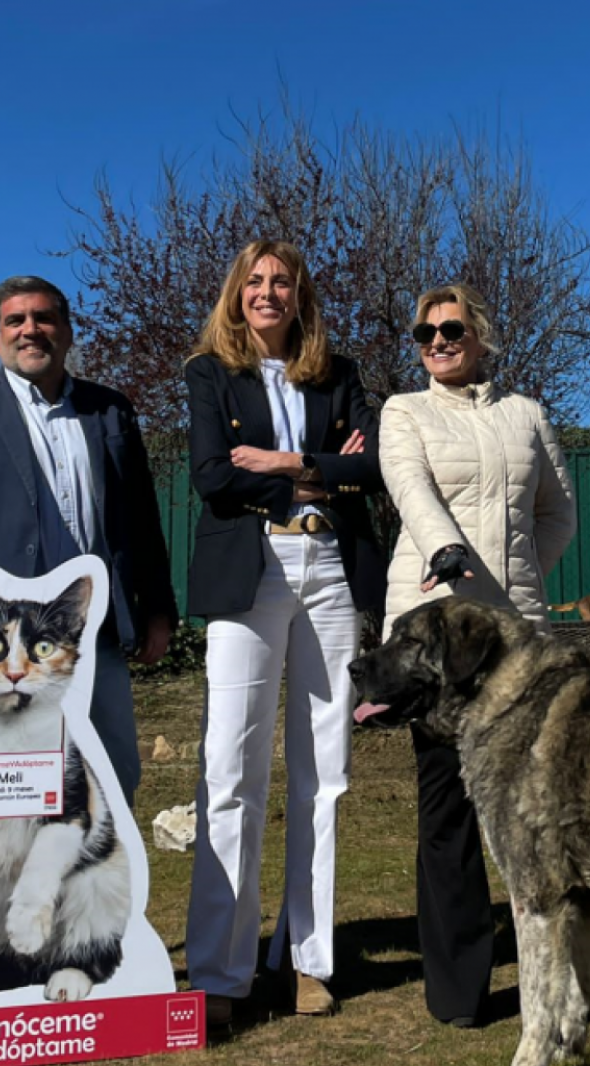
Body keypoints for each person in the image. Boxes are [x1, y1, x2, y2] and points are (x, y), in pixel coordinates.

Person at [182, 240, 385, 1025]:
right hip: (251, 570)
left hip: (331, 569)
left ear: (302, 295)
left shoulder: (340, 374)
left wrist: (284, 459)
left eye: (283, 282)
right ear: (238, 293)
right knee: (229, 769)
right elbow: (210, 475)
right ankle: (221, 973)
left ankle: (309, 961)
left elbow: (376, 468)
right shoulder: (209, 373)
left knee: (323, 774)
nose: (268, 293)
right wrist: (319, 469)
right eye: (255, 281)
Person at [379, 282, 576, 1028]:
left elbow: (557, 512)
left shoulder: (525, 414)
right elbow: (410, 489)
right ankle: (459, 991)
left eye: (451, 328)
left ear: (481, 335)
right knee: (448, 808)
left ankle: (545, 972)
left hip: (516, 641)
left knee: (530, 806)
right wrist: (449, 553)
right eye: (424, 333)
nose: (438, 342)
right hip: (431, 632)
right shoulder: (406, 411)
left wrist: (520, 578)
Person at [0, 275, 175, 803]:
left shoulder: (110, 410)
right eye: (15, 321)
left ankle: (94, 887)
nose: (31, 330)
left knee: (109, 784)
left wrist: (158, 609)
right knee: (2, 794)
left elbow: (140, 520)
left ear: (67, 331)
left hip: (95, 635)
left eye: (44, 318)